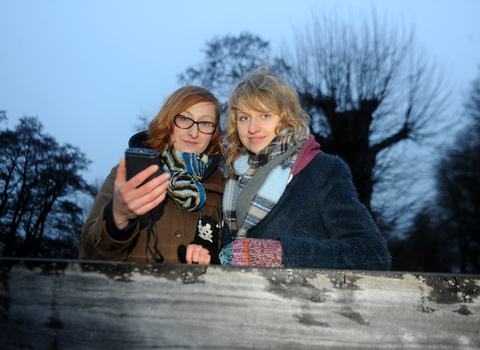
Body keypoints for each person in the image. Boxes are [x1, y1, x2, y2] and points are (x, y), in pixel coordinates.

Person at [219, 66, 392, 270]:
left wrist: (281, 253)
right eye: (244, 118)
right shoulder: (232, 180)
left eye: (265, 115)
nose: (252, 128)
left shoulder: (322, 171)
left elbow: (373, 253)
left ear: (286, 118)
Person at [79, 86, 224, 264]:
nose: (194, 133)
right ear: (168, 122)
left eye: (205, 123)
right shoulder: (129, 176)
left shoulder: (224, 189)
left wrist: (213, 260)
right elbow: (88, 257)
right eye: (184, 118)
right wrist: (117, 217)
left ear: (214, 132)